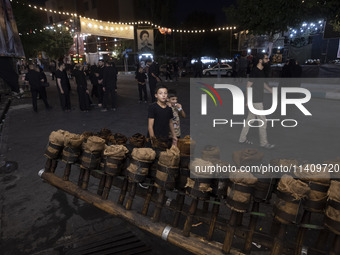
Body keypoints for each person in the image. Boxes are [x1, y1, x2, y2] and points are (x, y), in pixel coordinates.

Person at [238, 53, 275, 149]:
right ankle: (263, 143)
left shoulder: (261, 71)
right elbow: (248, 86)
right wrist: (247, 101)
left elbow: (262, 84)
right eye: (266, 59)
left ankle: (242, 138)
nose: (268, 60)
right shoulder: (255, 71)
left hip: (257, 99)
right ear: (260, 60)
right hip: (255, 100)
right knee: (263, 121)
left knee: (249, 119)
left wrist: (271, 91)